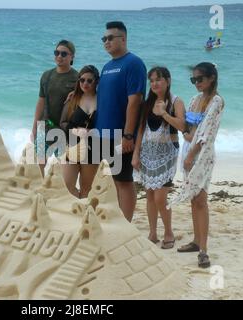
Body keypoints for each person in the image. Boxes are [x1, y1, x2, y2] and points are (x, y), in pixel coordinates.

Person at [169, 62, 224, 268]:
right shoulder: (194, 100)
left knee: (200, 200)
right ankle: (196, 241)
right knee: (194, 199)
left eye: (199, 79)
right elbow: (187, 127)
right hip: (188, 151)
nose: (196, 83)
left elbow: (206, 134)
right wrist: (186, 136)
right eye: (193, 80)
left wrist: (191, 153)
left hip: (202, 155)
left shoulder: (216, 101)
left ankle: (204, 250)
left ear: (211, 78)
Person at [95, 21, 147, 222]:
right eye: (104, 39)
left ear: (123, 39)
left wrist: (128, 135)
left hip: (121, 135)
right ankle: (117, 220)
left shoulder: (133, 63)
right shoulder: (107, 66)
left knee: (124, 180)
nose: (106, 42)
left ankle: (126, 224)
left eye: (110, 38)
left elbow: (135, 101)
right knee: (112, 180)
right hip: (102, 134)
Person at [132, 67, 185, 249]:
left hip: (167, 154)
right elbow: (141, 130)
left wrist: (164, 113)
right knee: (149, 196)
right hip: (147, 153)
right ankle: (153, 233)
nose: (154, 83)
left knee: (160, 198)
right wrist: (136, 154)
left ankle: (168, 232)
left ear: (168, 81)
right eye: (152, 80)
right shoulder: (147, 103)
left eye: (158, 79)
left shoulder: (176, 102)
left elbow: (182, 126)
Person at [31, 40, 78, 176]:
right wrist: (34, 126)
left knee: (63, 166)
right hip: (44, 126)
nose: (59, 56)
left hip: (64, 130)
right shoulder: (47, 75)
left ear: (72, 57)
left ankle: (63, 193)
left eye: (64, 54)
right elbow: (41, 101)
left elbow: (87, 101)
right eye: (56, 53)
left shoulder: (78, 78)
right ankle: (43, 188)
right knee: (40, 161)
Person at [60, 65, 100, 198]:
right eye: (82, 80)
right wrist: (76, 130)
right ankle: (76, 211)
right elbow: (63, 123)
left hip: (93, 149)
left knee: (87, 189)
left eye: (90, 80)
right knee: (67, 186)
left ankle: (84, 216)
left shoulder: (103, 101)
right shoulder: (73, 98)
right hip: (72, 145)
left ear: (97, 81)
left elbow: (106, 124)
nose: (85, 83)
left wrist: (92, 131)